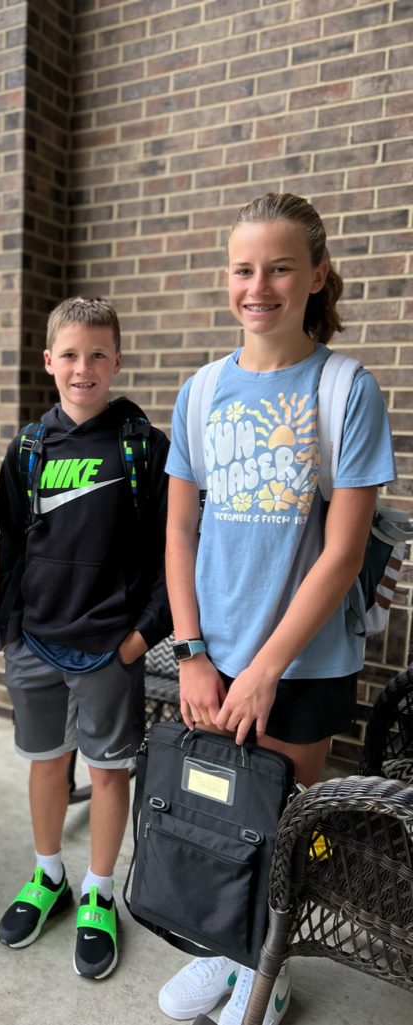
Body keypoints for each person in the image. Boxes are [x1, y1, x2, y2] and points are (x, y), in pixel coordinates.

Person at [159, 193, 396, 1024]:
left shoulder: (346, 389)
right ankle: (222, 950)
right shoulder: (200, 391)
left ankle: (267, 968)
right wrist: (192, 651)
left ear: (317, 275)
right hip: (212, 656)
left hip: (302, 662)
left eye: (280, 268)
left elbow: (343, 554)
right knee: (215, 814)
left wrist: (265, 669)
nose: (258, 287)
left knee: (281, 827)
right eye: (244, 269)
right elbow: (179, 529)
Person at [0, 296, 171, 980]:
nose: (83, 367)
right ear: (48, 361)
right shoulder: (28, 449)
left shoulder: (143, 447)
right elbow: (8, 548)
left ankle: (99, 891)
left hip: (109, 648)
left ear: (117, 360)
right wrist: (12, 632)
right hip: (37, 642)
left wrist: (140, 638)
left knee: (107, 771)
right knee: (45, 763)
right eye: (69, 354)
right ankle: (50, 876)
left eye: (98, 354)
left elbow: (171, 554)